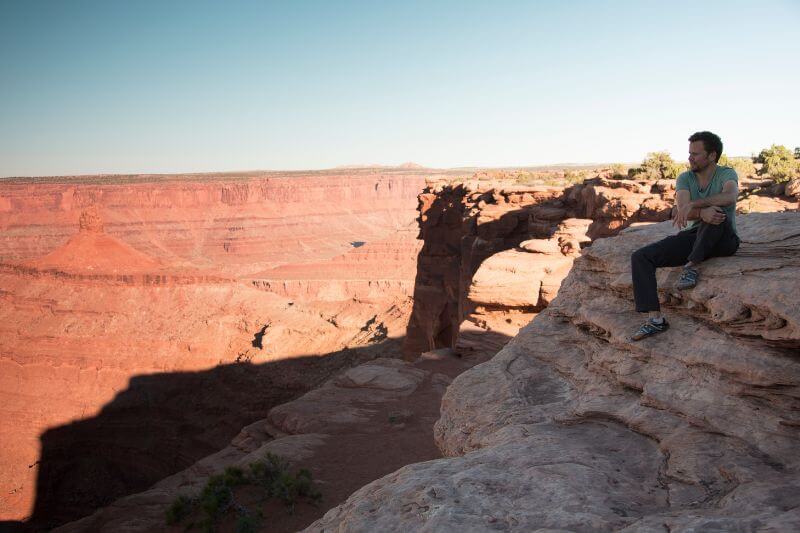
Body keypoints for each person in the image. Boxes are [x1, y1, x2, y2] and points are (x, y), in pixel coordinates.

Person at [630, 131, 740, 341]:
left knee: (716, 213)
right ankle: (655, 320)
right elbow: (682, 209)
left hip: (724, 239)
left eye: (696, 154)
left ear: (712, 156)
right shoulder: (685, 177)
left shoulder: (726, 174)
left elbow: (730, 196)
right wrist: (699, 213)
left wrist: (697, 205)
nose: (690, 158)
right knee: (641, 257)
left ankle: (691, 266)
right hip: (695, 235)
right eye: (689, 153)